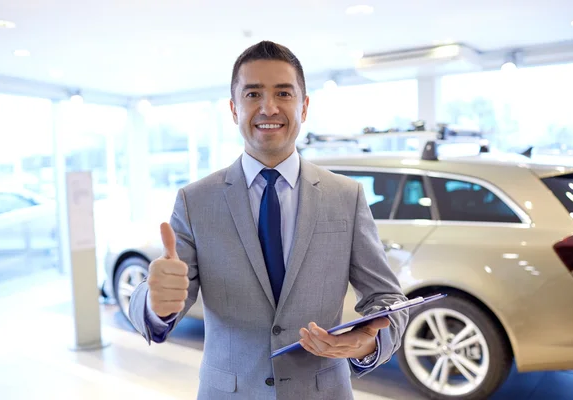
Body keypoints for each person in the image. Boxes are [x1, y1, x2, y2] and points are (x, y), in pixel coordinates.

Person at [129, 40, 409, 400]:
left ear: (304, 106)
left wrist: (366, 345)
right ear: (233, 108)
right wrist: (155, 302)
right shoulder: (195, 201)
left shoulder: (346, 196)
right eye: (252, 94)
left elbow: (388, 299)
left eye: (283, 93)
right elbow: (160, 303)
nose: (269, 107)